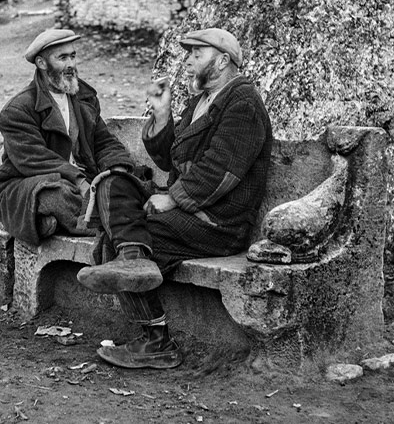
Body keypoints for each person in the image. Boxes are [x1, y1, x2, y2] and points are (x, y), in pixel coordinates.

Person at [76, 27, 274, 369]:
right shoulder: (201, 102)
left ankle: (156, 342)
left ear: (223, 60)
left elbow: (221, 170)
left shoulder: (242, 101)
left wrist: (175, 198)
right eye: (190, 54)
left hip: (218, 222)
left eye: (198, 54)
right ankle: (133, 260)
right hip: (192, 213)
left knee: (122, 236)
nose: (189, 60)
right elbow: (171, 160)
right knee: (115, 184)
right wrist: (163, 115)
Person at [0, 28, 150, 249]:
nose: (71, 64)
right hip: (29, 181)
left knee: (128, 181)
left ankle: (72, 220)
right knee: (57, 195)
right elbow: (33, 159)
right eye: (62, 58)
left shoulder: (83, 96)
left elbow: (103, 141)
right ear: (42, 63)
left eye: (73, 56)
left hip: (85, 180)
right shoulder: (18, 110)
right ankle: (114, 224)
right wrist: (80, 181)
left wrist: (117, 168)